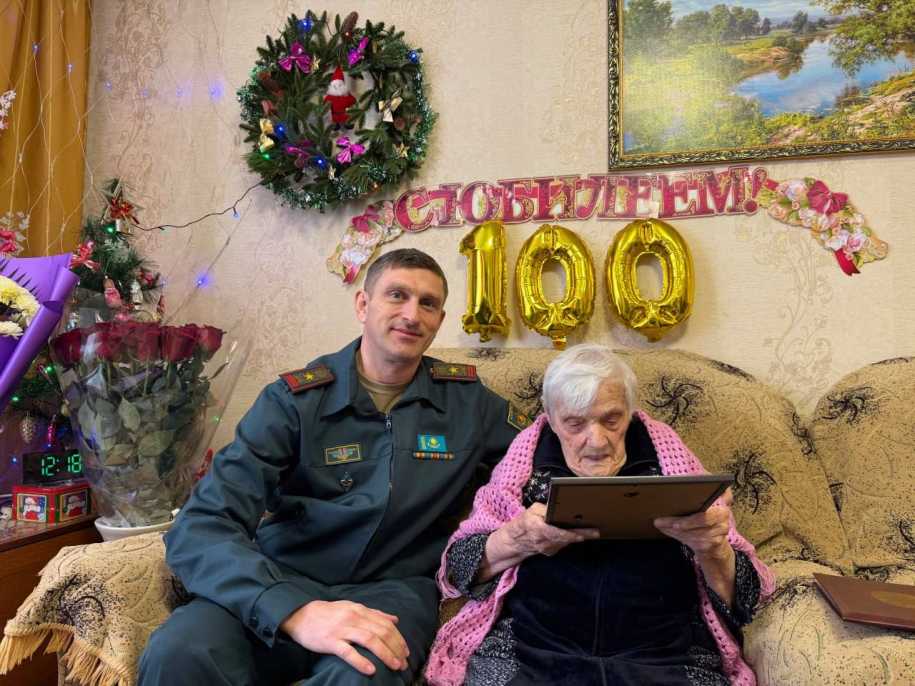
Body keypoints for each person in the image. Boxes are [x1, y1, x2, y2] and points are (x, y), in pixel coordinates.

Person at [139, 249, 525, 686]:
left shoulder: (469, 403)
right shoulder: (294, 401)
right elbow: (201, 524)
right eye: (397, 295)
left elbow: (546, 455)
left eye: (428, 303)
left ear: (439, 320)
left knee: (362, 674)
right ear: (363, 304)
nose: (412, 314)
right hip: (280, 577)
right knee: (179, 652)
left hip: (392, 590)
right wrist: (293, 609)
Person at [425, 344, 775, 686]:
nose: (596, 441)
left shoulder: (670, 461)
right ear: (550, 418)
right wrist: (516, 539)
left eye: (611, 420)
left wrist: (713, 550)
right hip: (533, 650)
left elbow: (745, 597)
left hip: (665, 654)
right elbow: (459, 569)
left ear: (630, 411)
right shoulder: (523, 466)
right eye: (575, 424)